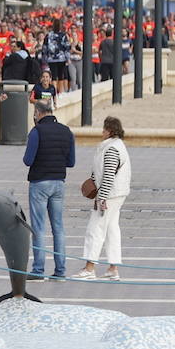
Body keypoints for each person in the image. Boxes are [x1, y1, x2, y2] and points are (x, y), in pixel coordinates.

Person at [23, 98, 76, 281]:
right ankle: (60, 270)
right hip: (59, 182)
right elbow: (71, 162)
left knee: (38, 227)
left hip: (39, 183)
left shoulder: (36, 132)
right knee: (58, 227)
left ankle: (38, 269)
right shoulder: (66, 131)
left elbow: (28, 160)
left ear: (38, 113)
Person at [73, 116, 131, 281]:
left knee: (95, 229)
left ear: (110, 131)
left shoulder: (111, 149)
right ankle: (113, 268)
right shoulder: (117, 146)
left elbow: (108, 176)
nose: (102, 132)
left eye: (104, 129)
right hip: (117, 194)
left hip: (110, 195)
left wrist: (102, 197)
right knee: (112, 229)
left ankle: (89, 268)